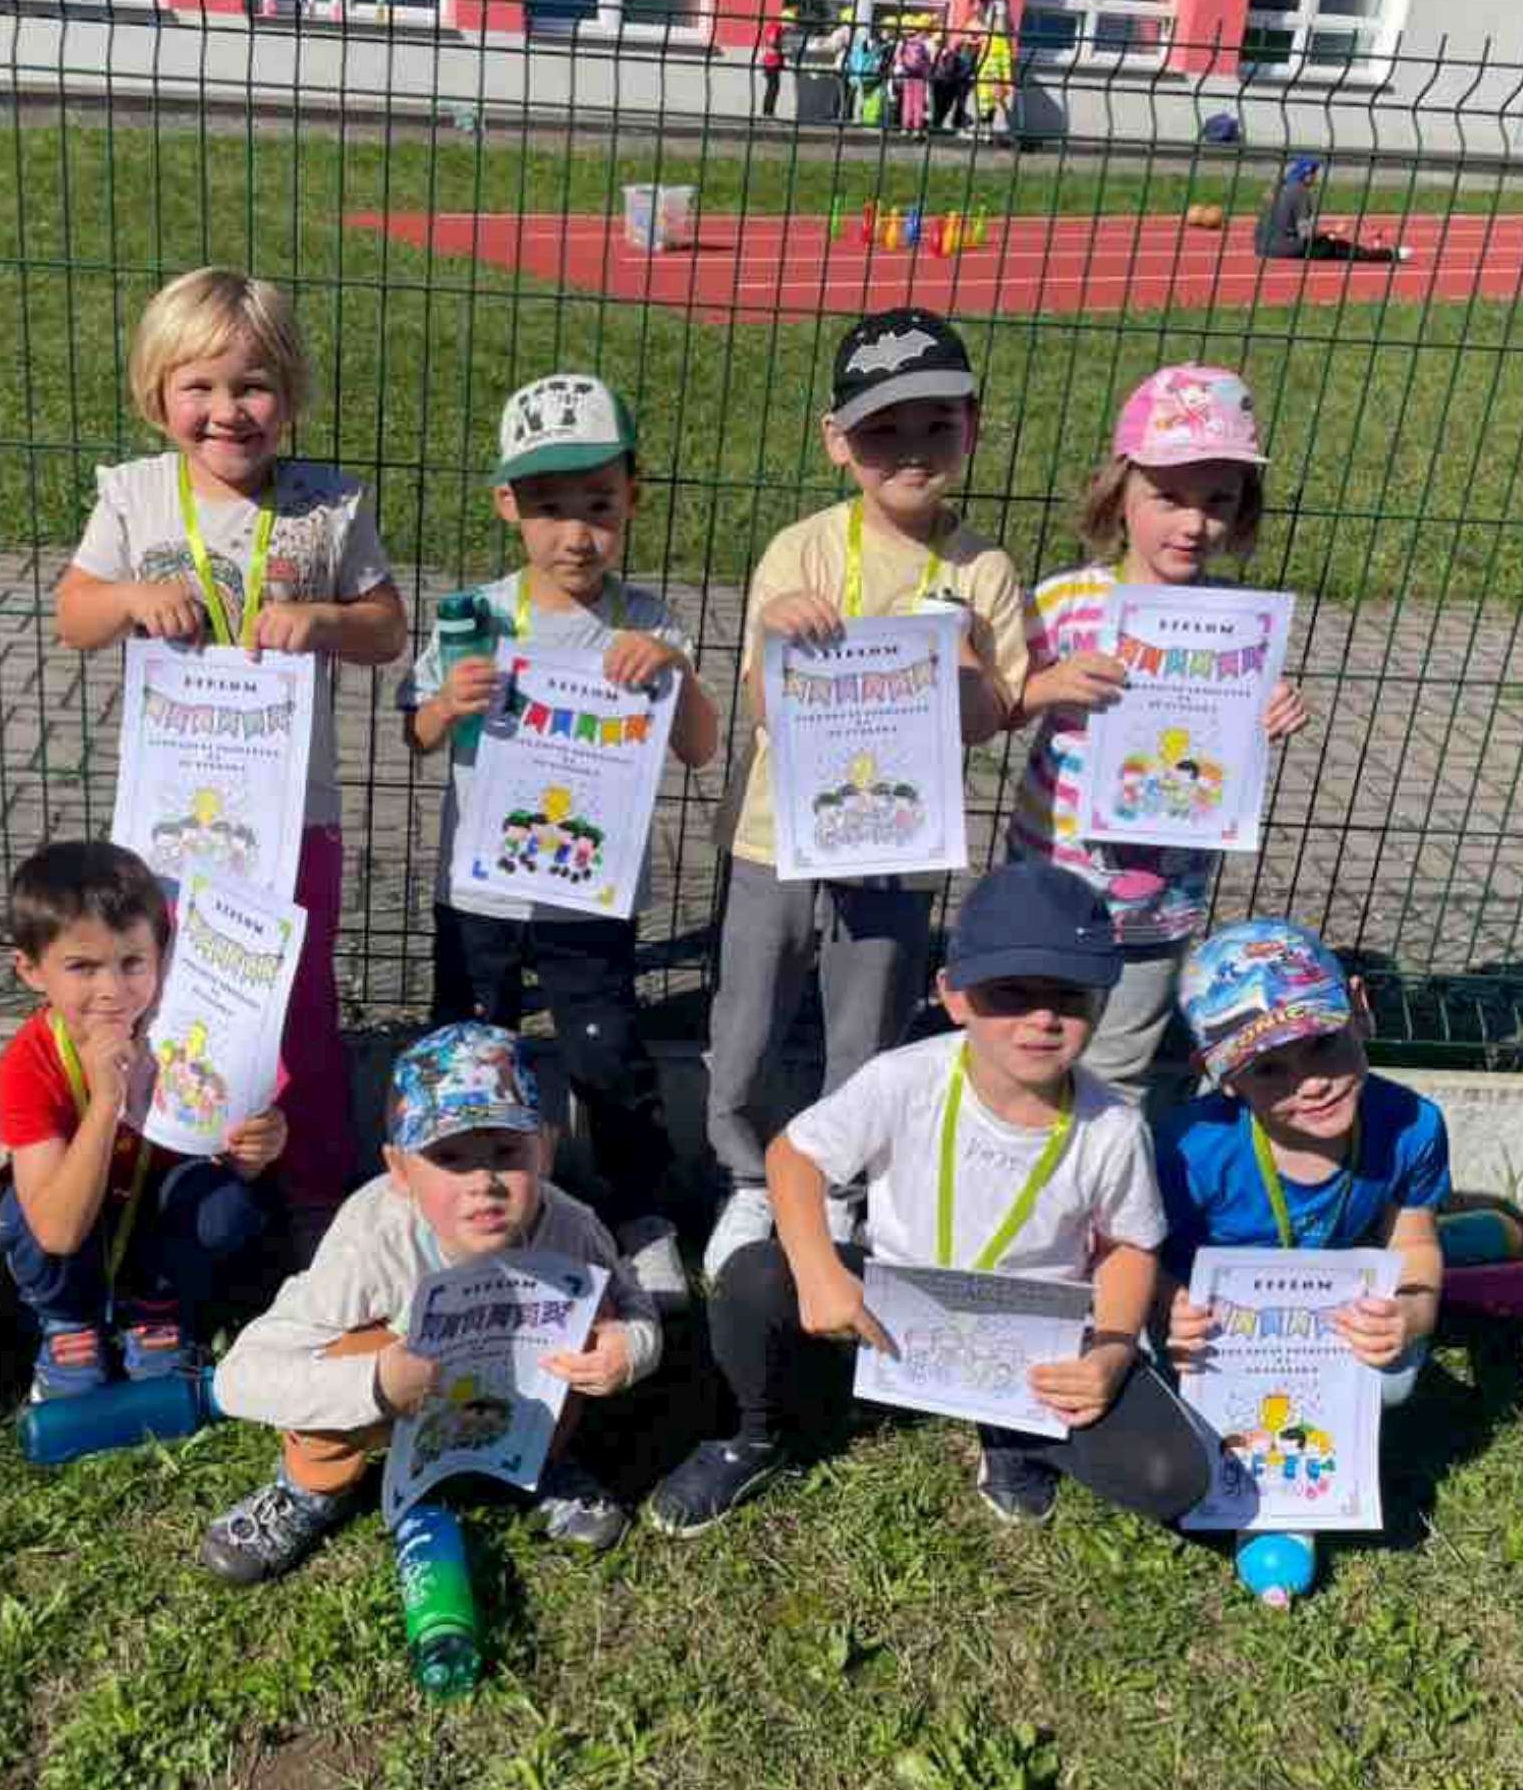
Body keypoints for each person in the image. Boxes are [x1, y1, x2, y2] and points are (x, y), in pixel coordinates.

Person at [649, 862, 1208, 1535]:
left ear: (1102, 1000)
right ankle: (755, 1435)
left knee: (1173, 1475)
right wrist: (820, 1271)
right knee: (755, 1274)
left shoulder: (1112, 1125)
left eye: (1069, 996)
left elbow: (1126, 1245)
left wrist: (1113, 1351)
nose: (1041, 1018)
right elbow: (792, 1157)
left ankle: (1017, 1435)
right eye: (1011, 993)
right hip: (891, 1316)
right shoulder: (904, 1078)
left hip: (1031, 1342)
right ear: (954, 995)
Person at [51, 268, 409, 1228]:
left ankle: (314, 1192)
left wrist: (326, 619)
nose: (226, 411)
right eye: (198, 387)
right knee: (166, 991)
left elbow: (387, 629)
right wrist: (130, 598)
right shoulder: (135, 498)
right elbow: (73, 615)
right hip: (165, 825)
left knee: (295, 1001)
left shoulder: (327, 506)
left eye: (252, 386)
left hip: (294, 816)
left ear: (288, 393)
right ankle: (170, 1179)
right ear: (157, 392)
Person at [702, 306, 1029, 1283]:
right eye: (882, 429)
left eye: (936, 423)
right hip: (777, 837)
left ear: (972, 426)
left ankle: (839, 1184)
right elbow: (763, 706)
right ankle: (747, 1177)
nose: (911, 448)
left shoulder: (983, 568)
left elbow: (995, 713)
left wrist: (963, 663)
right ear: (836, 440)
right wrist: (778, 635)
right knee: (747, 1019)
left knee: (868, 1026)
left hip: (899, 842)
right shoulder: (800, 552)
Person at [397, 374, 718, 1306]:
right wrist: (445, 706)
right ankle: (453, 1208)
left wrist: (673, 670)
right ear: (508, 505)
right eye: (549, 508)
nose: (576, 534)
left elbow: (700, 747)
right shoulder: (477, 616)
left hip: (589, 895)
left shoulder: (646, 623)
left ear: (633, 498)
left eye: (599, 506)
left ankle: (637, 1217)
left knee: (607, 1058)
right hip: (480, 894)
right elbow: (417, 733)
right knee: (469, 1053)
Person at [199, 1023, 664, 1583]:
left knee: (590, 1317)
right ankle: (308, 1489)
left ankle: (542, 1464)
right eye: (450, 1157)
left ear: (545, 1150)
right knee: (344, 1355)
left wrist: (627, 1348)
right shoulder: (372, 1241)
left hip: (513, 1404)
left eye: (506, 1151)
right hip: (399, 1397)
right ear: (399, 1171)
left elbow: (633, 1303)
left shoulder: (571, 1225)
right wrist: (373, 1382)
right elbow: (237, 1379)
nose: (483, 1182)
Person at [1002, 363, 1310, 1100]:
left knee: (1118, 1072)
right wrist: (1048, 686)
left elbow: (1228, 739)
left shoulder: (1238, 621)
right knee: (1030, 1056)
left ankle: (1108, 1176)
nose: (1194, 523)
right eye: (1168, 497)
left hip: (1161, 901)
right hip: (1054, 884)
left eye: (1218, 500)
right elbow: (1000, 705)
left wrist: (1269, 712)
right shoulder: (1066, 602)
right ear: (1120, 494)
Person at [1156, 918, 1446, 1605]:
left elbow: (1414, 1245)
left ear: (1359, 1007)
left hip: (1322, 1319)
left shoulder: (1413, 1123)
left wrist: (1411, 1313)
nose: (1310, 1083)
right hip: (1215, 1333)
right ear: (1220, 1076)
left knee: (1396, 1374)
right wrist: (1167, 1307)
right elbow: (1135, 1259)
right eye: (1269, 1069)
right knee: (1168, 1398)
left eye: (1323, 1044)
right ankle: (1263, 1500)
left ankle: (1290, 1506)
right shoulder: (1188, 1148)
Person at [0, 840, 281, 1398]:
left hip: (152, 1219)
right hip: (72, 1225)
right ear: (30, 970)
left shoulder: (191, 1038)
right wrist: (106, 1102)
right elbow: (56, 1230)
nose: (113, 991)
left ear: (163, 955)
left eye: (132, 963)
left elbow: (230, 1163)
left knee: (227, 1203)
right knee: (23, 1215)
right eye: (82, 967)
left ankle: (157, 1309)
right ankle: (69, 1320)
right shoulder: (28, 1062)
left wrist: (257, 1148)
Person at [1252, 155, 1409, 264]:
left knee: (1325, 242)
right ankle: (1388, 254)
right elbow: (1306, 233)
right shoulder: (1300, 192)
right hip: (1284, 249)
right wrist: (1332, 230)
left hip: (1261, 247)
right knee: (1337, 247)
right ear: (1307, 174)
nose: (1316, 177)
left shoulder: (1277, 190)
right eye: (1314, 173)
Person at [971, 0, 1015, 138]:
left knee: (991, 88)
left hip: (996, 48)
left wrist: (986, 27)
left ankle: (987, 128)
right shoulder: (988, 3)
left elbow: (1002, 29)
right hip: (988, 46)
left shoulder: (999, 4)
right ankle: (984, 127)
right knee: (984, 88)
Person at [895, 21, 932, 135]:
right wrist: (926, 71)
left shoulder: (903, 43)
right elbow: (927, 59)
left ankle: (906, 126)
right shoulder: (922, 44)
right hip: (919, 75)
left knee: (907, 101)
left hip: (907, 74)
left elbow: (897, 57)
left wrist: (902, 67)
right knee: (918, 102)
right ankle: (917, 128)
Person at [759, 13, 791, 118]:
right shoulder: (776, 27)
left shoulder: (777, 28)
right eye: (790, 24)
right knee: (773, 87)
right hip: (771, 62)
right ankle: (768, 112)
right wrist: (782, 49)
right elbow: (772, 41)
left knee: (773, 87)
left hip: (772, 61)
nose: (790, 27)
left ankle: (768, 111)